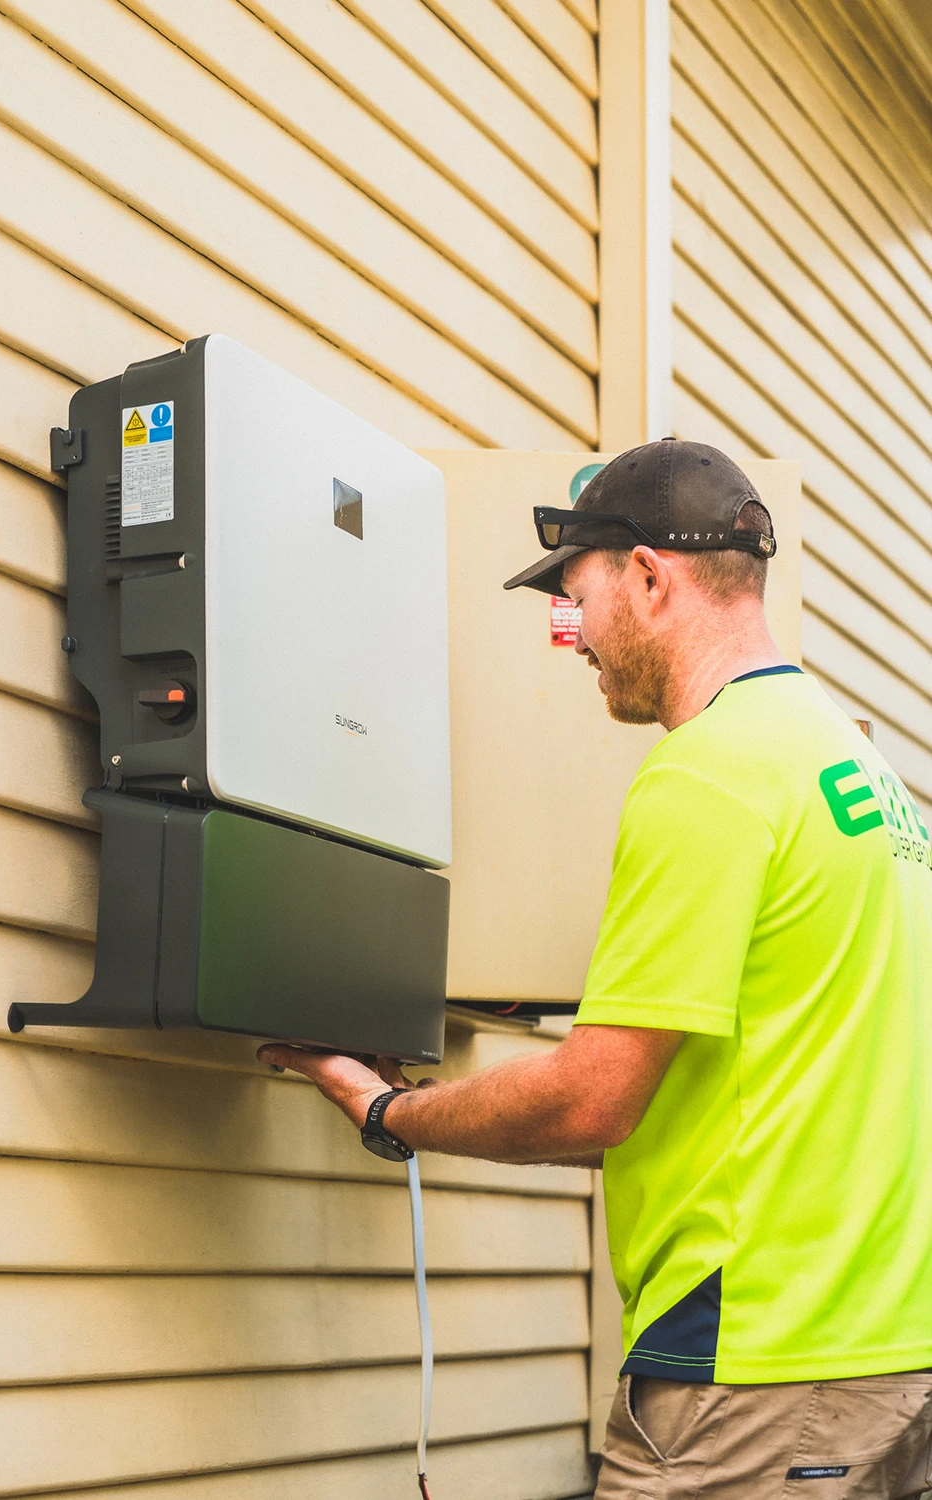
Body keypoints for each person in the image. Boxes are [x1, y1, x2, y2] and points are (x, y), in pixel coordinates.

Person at [258, 438, 932, 1498]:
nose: (574, 640)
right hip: (887, 1359)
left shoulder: (708, 773)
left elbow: (594, 1099)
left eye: (577, 601)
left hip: (754, 1370)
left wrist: (387, 1111)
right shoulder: (856, 770)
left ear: (650, 578)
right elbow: (712, 1102)